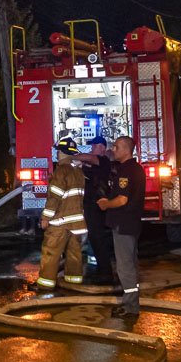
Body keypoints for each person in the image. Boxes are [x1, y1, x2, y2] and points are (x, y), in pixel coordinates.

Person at [97, 136, 146, 319]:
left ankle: (130, 307)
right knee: (131, 264)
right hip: (131, 223)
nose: (113, 150)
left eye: (116, 147)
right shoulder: (135, 169)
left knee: (125, 267)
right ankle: (131, 303)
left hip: (123, 224)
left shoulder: (126, 171)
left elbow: (122, 199)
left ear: (126, 149)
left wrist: (105, 204)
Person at [36, 137, 88, 289]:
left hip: (60, 221)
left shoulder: (61, 171)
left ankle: (45, 284)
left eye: (57, 151)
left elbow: (54, 198)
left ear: (61, 152)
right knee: (74, 254)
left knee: (51, 253)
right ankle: (73, 281)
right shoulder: (78, 172)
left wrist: (45, 218)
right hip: (77, 222)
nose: (56, 154)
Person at [75, 135, 116, 285]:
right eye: (92, 145)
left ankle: (106, 273)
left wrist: (72, 155)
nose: (92, 148)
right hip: (89, 204)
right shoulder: (90, 164)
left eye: (96, 146)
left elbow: (90, 158)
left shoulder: (103, 161)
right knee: (94, 237)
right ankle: (101, 269)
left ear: (103, 148)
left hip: (97, 204)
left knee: (98, 237)